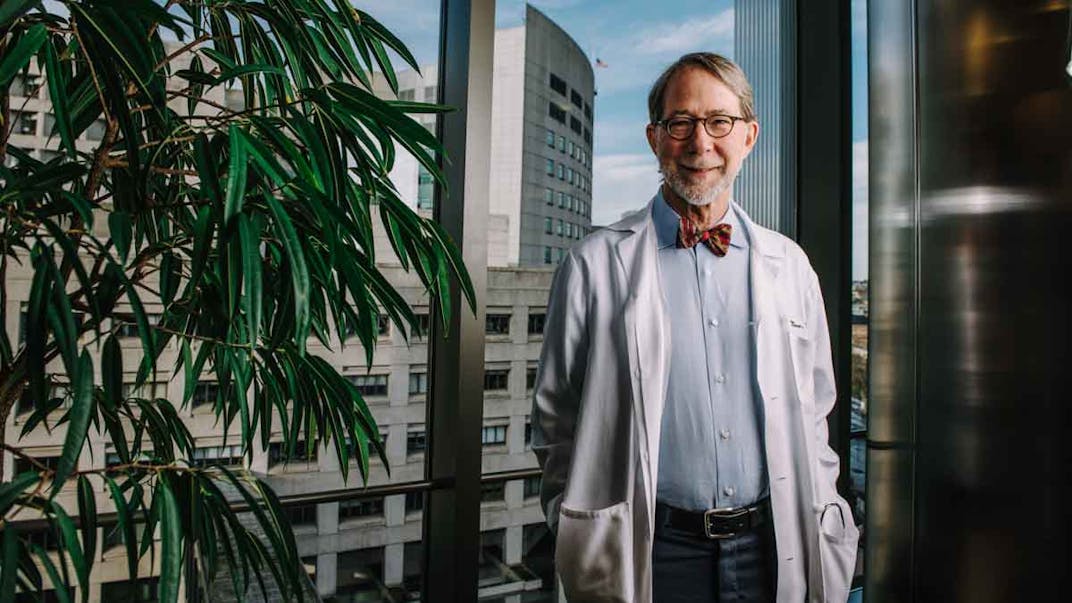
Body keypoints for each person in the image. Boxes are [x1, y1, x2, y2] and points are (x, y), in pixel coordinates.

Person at [531, 52, 859, 602]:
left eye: (719, 122)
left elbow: (817, 407)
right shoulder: (592, 265)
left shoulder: (791, 264)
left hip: (773, 547)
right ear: (654, 138)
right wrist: (574, 523)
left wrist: (822, 497)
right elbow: (555, 422)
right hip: (651, 552)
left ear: (748, 137)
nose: (700, 143)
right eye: (680, 122)